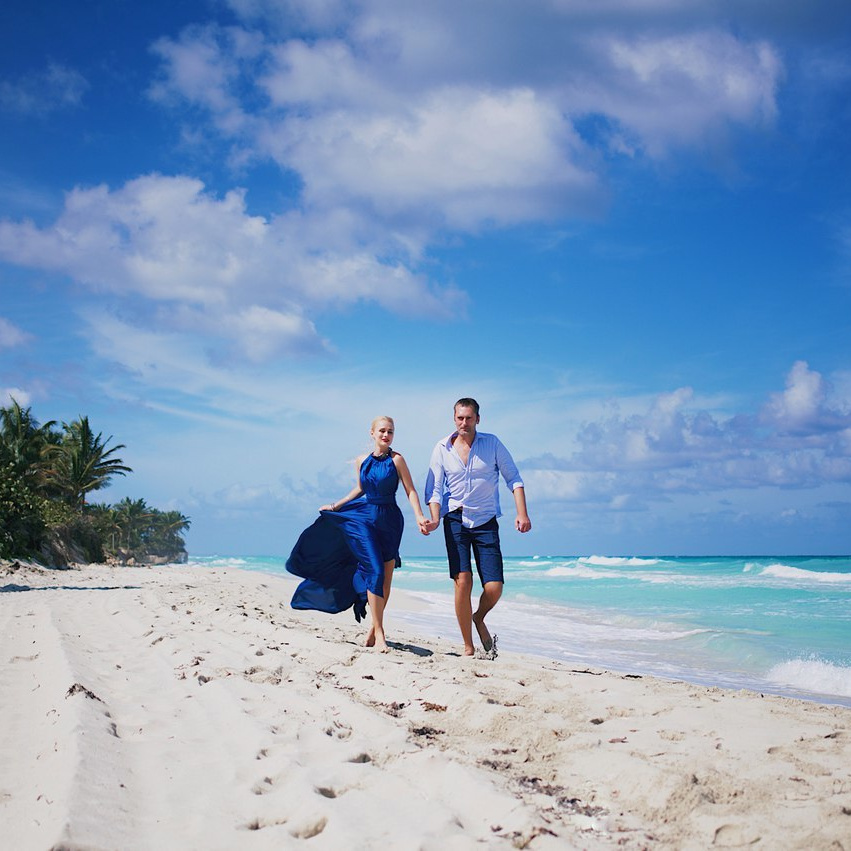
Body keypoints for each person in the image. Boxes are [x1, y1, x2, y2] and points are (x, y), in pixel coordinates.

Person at [286, 416, 430, 652]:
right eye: (382, 431)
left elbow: (410, 490)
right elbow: (360, 489)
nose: (386, 435)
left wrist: (419, 516)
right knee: (374, 571)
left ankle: (374, 627)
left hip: (391, 521)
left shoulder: (398, 460)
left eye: (390, 432)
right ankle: (382, 634)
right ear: (372, 433)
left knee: (385, 580)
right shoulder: (361, 461)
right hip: (366, 519)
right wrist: (336, 505)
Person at [423, 398, 531, 657]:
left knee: (494, 587)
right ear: (454, 419)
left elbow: (514, 478)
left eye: (469, 418)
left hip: (485, 521)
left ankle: (478, 617)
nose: (464, 423)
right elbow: (435, 489)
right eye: (460, 418)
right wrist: (435, 519)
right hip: (455, 520)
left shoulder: (492, 444)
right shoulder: (441, 448)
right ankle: (468, 645)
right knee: (463, 581)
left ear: (477, 419)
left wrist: (522, 513)